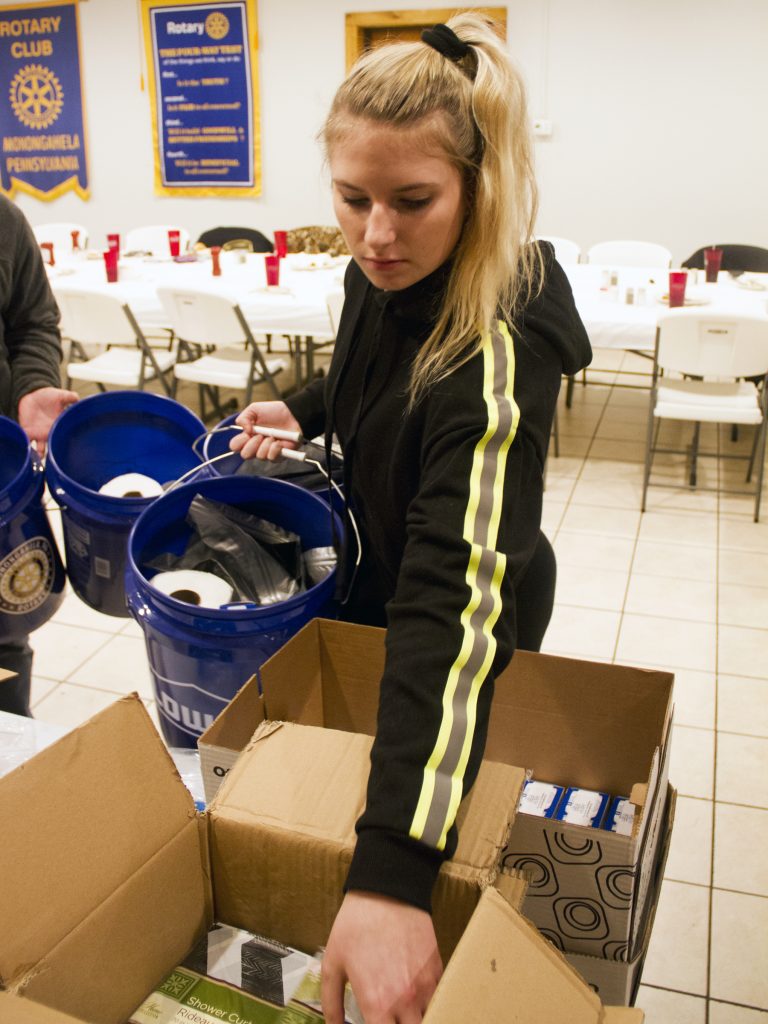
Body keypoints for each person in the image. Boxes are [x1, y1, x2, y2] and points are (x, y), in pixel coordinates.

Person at [231, 14, 591, 1022]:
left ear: (479, 188)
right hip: (380, 568)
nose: (377, 234)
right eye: (352, 200)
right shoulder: (372, 269)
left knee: (432, 762)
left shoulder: (502, 344)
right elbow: (375, 362)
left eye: (413, 202)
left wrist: (392, 875)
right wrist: (302, 407)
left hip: (469, 599)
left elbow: (456, 600)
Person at [0, 194, 78, 715]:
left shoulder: (4, 220)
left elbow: (31, 322)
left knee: (6, 632)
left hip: (4, 477)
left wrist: (31, 386)